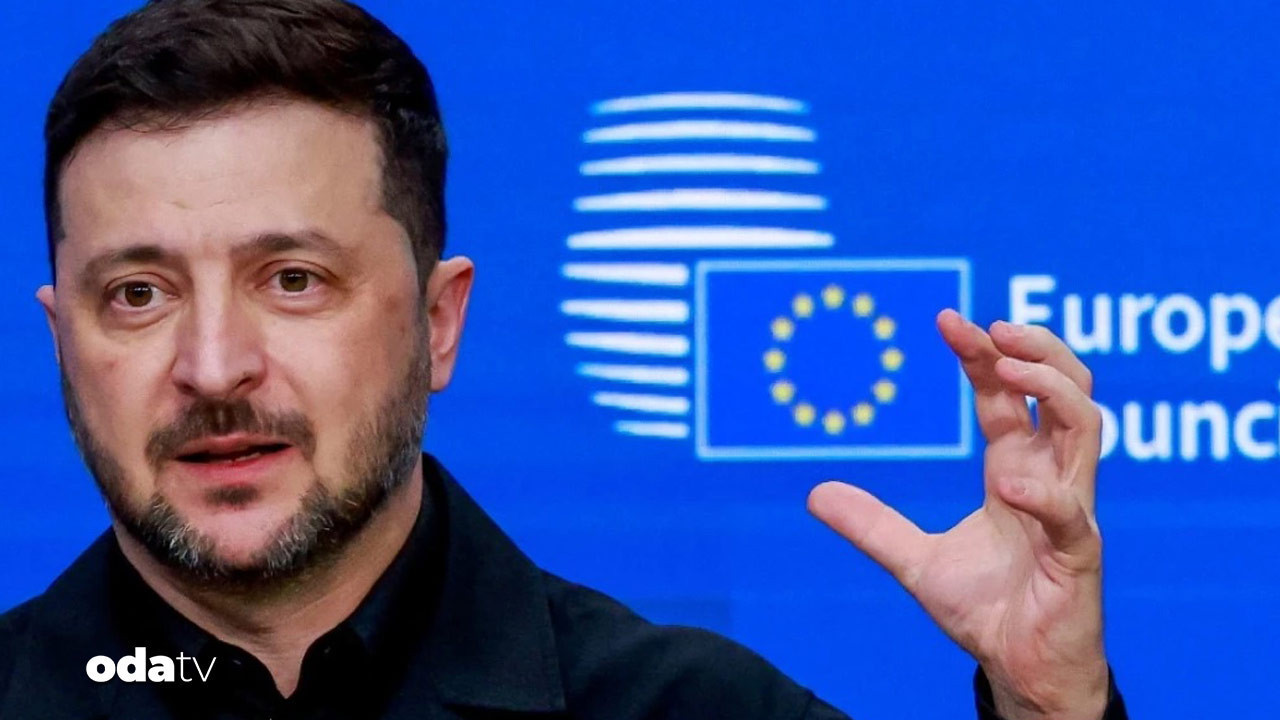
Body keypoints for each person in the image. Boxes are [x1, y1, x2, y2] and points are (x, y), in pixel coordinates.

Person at [0, 1, 1127, 718]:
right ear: (62, 342)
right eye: (137, 295)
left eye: (293, 279)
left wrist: (1050, 709)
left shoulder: (693, 712)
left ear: (439, 323)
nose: (212, 367)